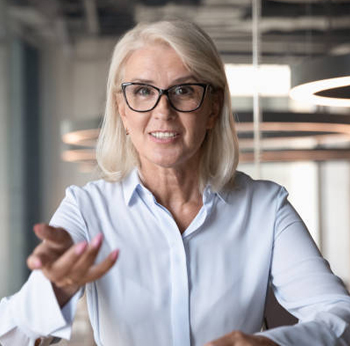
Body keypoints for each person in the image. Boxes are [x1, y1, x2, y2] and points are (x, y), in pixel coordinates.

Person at [0, 20, 350, 346]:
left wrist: (270, 344)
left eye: (182, 90)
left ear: (213, 108)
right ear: (122, 109)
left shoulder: (265, 207)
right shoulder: (87, 210)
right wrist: (54, 290)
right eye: (141, 91)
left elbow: (339, 317)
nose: (162, 111)